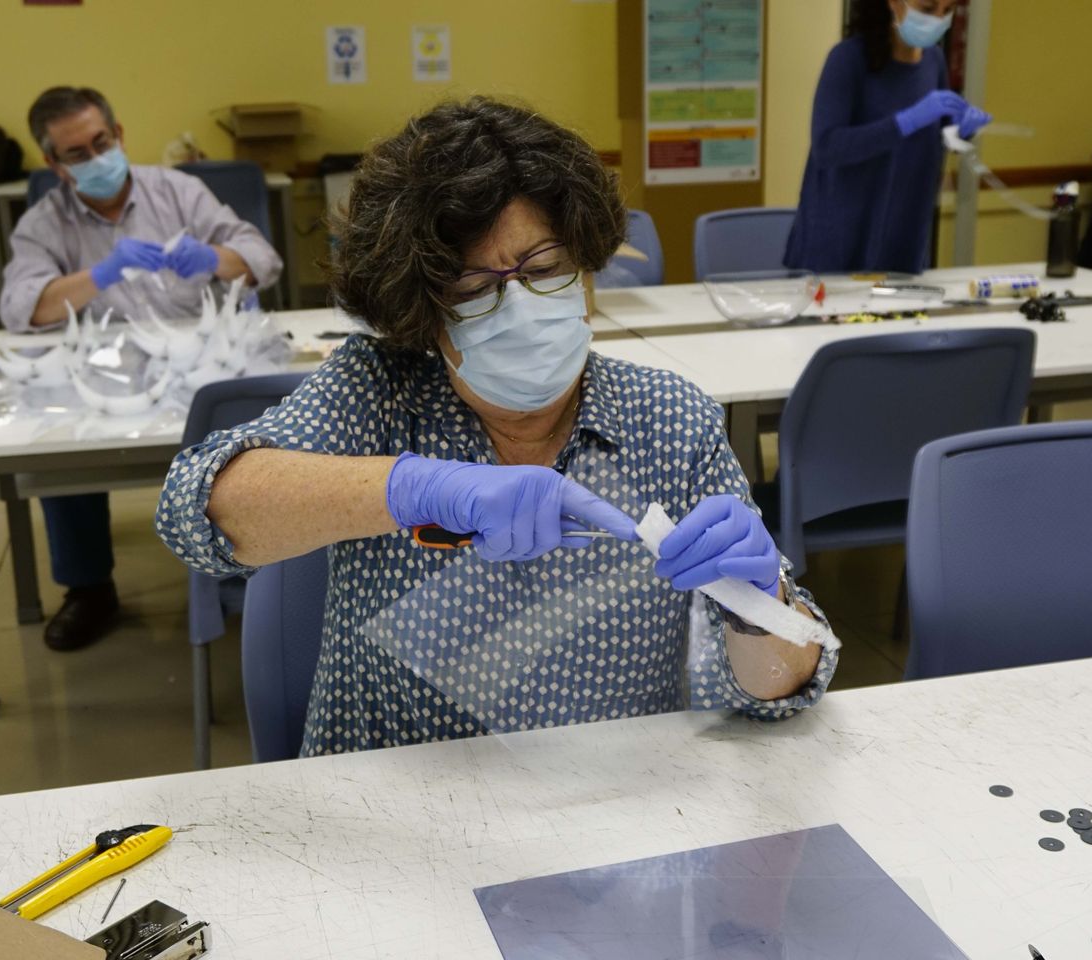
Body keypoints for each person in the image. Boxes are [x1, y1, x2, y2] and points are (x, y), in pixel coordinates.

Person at [157, 98, 837, 757]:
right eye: (473, 288)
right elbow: (193, 512)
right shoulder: (381, 392)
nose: (517, 305)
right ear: (422, 308)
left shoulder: (667, 420)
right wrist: (411, 488)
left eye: (543, 270)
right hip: (400, 811)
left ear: (587, 267)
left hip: (612, 812)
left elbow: (777, 693)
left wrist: (760, 607)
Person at [0, 86, 282, 651]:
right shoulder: (43, 222)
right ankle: (88, 587)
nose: (96, 157)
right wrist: (99, 276)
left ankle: (247, 569)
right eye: (77, 153)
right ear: (55, 165)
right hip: (105, 369)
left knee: (248, 444)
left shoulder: (178, 192)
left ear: (119, 134)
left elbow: (262, 259)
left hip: (200, 360)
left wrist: (215, 260)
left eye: (101, 141)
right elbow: (19, 307)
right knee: (62, 454)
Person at [784, 0, 992, 274]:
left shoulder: (934, 62)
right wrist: (903, 123)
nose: (939, 19)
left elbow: (938, 135)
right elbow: (827, 147)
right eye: (928, 9)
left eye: (948, 10)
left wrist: (961, 130)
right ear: (894, 3)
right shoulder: (848, 59)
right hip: (837, 246)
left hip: (903, 242)